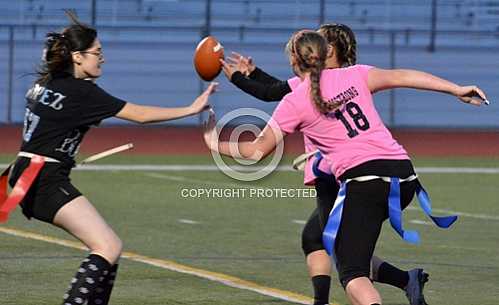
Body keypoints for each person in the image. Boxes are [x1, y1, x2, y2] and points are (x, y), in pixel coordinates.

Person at [204, 30, 487, 305]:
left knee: (352, 273)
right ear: (324, 53)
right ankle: (404, 280)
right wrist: (455, 88)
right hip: (404, 176)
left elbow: (255, 151)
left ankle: (389, 283)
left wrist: (215, 142)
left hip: (366, 182)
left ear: (293, 60)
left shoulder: (295, 100)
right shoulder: (355, 74)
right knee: (342, 249)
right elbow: (403, 75)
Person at [6, 12, 215, 305]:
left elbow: (55, 124)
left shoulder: (48, 83)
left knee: (109, 250)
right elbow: (140, 115)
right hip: (43, 178)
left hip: (25, 174)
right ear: (77, 57)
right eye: (97, 53)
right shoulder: (82, 92)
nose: (102, 58)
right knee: (107, 246)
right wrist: (191, 109)